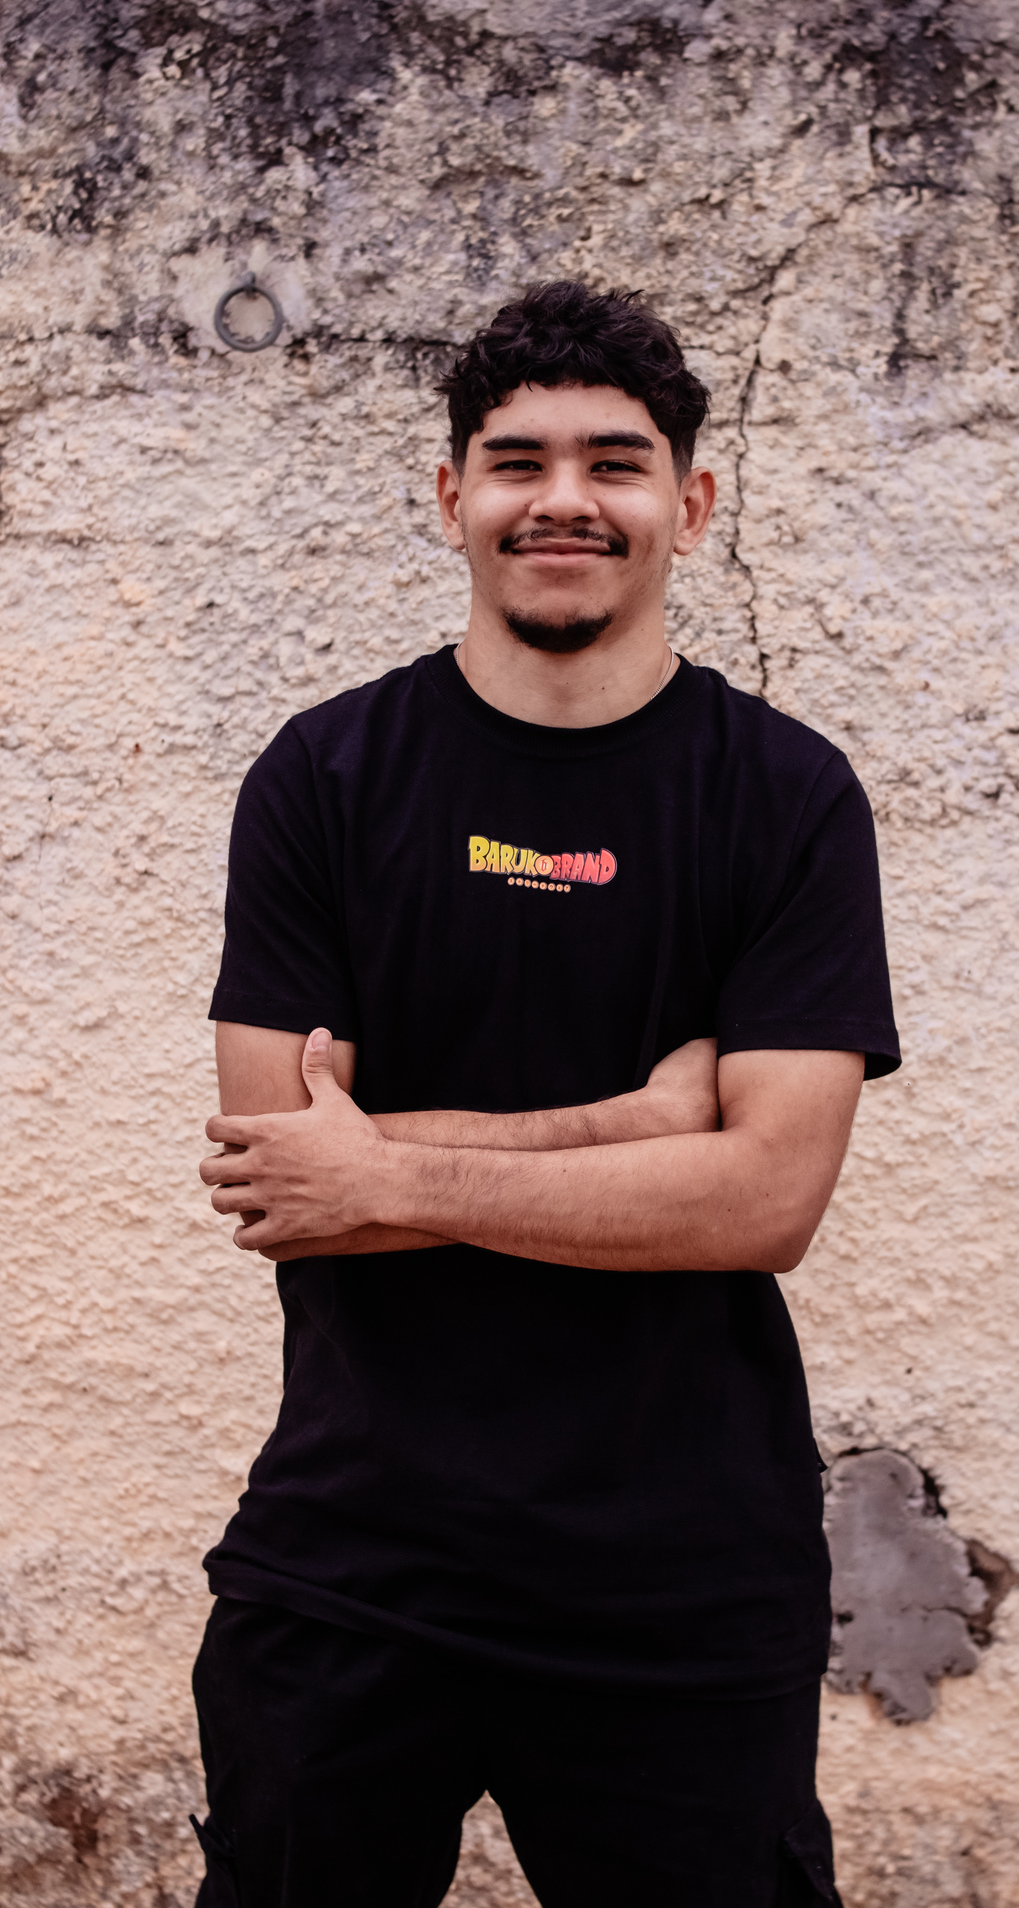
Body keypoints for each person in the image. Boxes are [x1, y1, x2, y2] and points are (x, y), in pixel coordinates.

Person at [193, 281, 900, 1908]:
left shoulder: (786, 796)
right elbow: (284, 1183)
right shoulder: (324, 776)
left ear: (690, 505)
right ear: (454, 497)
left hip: (681, 1573)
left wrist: (388, 1166)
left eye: (615, 461)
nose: (563, 498)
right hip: (356, 1556)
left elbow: (765, 1199)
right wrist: (637, 1127)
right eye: (518, 461)